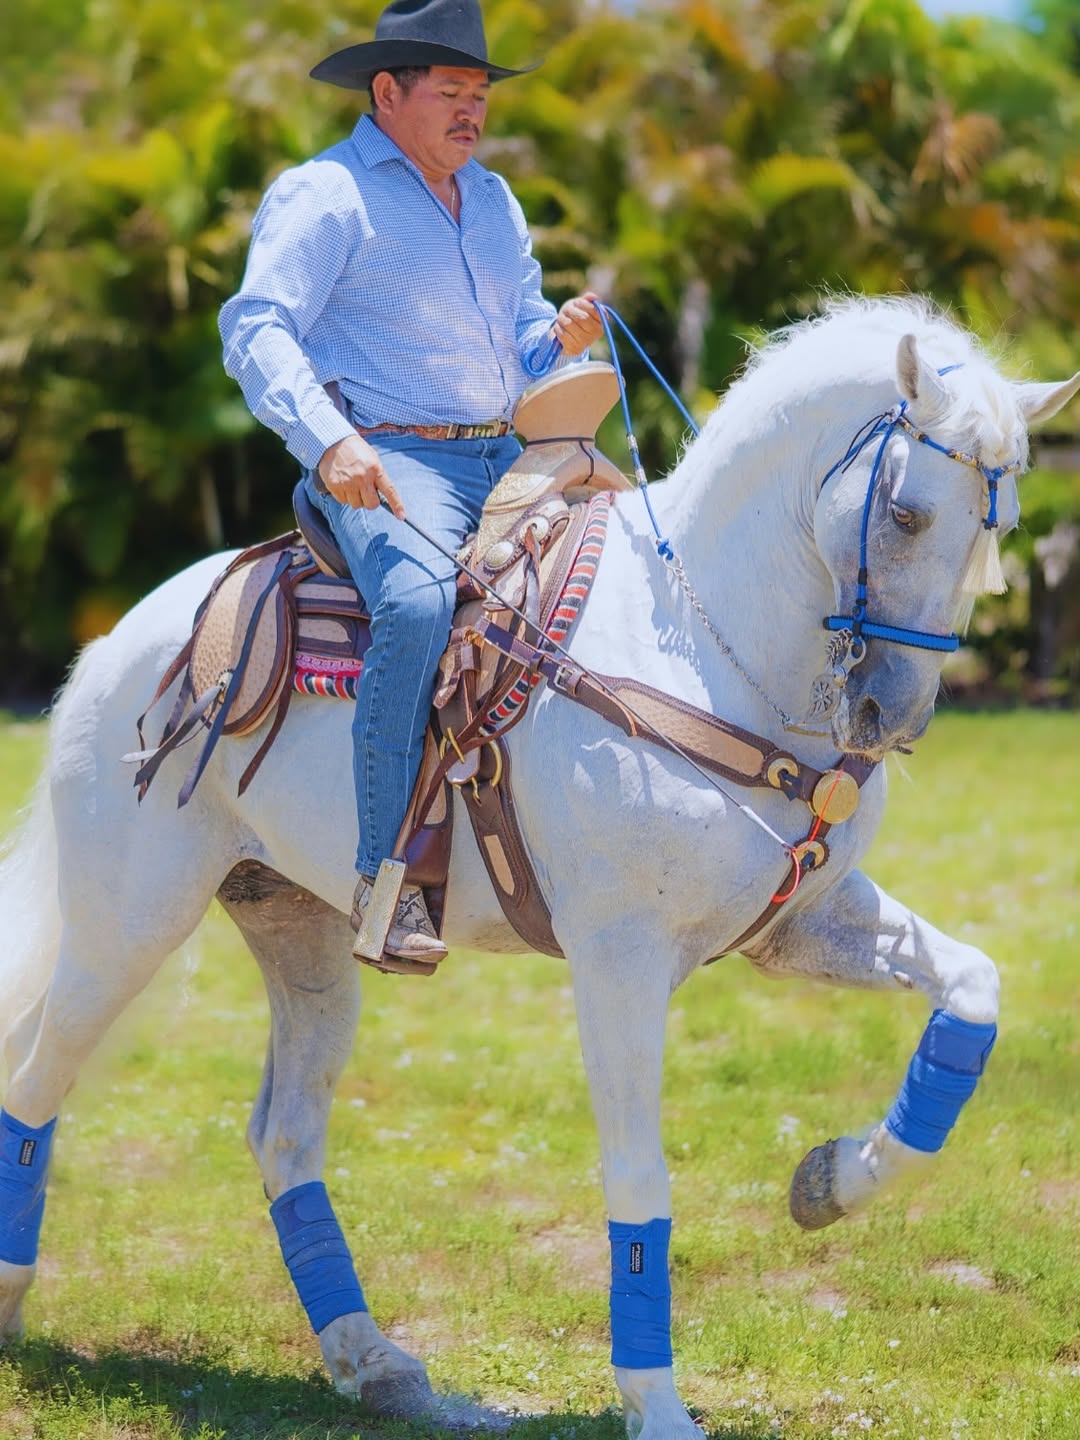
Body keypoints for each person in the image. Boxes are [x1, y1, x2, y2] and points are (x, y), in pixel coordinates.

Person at [219, 0, 602, 972]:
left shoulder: (497, 200)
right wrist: (329, 443)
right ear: (387, 93)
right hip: (394, 462)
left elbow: (515, 345)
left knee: (624, 559)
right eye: (453, 94)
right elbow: (256, 327)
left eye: (480, 95)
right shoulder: (327, 194)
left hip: (505, 452)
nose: (472, 112)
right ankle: (383, 879)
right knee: (420, 600)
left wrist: (553, 340)